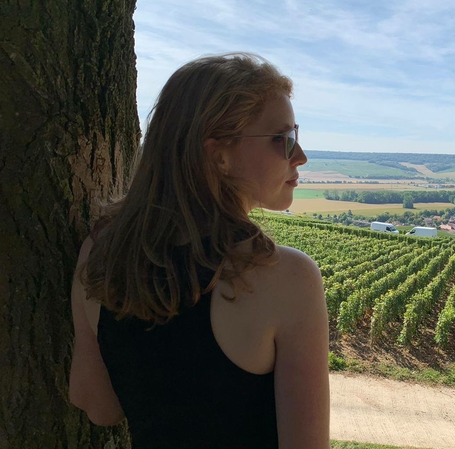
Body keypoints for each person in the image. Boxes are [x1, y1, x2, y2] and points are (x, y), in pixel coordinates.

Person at [68, 53, 330, 448]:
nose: (300, 156)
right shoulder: (285, 276)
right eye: (284, 139)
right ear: (219, 155)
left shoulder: (101, 252)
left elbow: (97, 405)